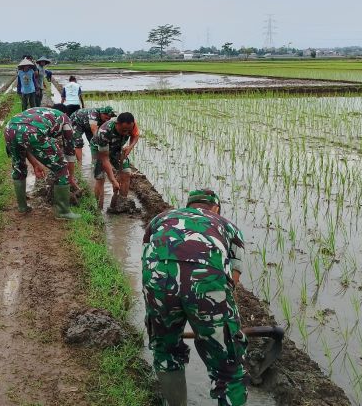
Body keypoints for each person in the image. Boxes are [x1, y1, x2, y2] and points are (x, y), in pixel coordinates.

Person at [142, 189, 247, 406]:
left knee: (166, 352)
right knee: (228, 366)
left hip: (158, 282)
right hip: (207, 285)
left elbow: (147, 258)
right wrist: (222, 327)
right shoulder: (228, 227)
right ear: (215, 209)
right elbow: (233, 281)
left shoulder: (160, 219)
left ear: (188, 206)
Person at [4, 107, 80, 220]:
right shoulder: (66, 120)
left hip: (10, 128)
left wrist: (35, 164)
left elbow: (24, 143)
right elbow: (70, 154)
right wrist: (71, 178)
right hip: (33, 131)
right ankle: (63, 212)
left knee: (18, 166)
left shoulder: (39, 111)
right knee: (61, 167)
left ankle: (22, 207)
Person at [89, 112, 139, 209]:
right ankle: (97, 208)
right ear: (117, 124)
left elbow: (135, 135)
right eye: (123, 130)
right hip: (99, 150)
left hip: (117, 148)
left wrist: (130, 147)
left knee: (126, 173)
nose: (126, 133)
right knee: (100, 178)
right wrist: (113, 180)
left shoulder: (131, 125)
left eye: (128, 130)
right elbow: (105, 158)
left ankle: (120, 204)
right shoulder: (104, 132)